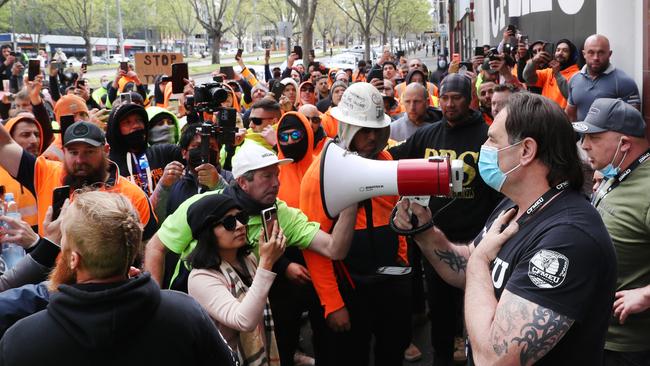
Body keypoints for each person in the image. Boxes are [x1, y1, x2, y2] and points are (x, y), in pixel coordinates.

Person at [394, 92, 617, 365]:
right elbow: (470, 270)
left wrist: (477, 260)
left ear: (526, 151)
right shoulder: (512, 205)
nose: (482, 148)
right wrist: (424, 232)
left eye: (492, 139)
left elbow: (493, 358)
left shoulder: (568, 239)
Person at [0, 190, 238, 365]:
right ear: (132, 251)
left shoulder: (22, 341)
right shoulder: (184, 314)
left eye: (63, 239)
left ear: (74, 259)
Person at [389, 73, 502, 366]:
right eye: (446, 98)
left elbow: (500, 191)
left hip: (478, 242)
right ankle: (441, 357)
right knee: (439, 309)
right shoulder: (428, 134)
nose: (450, 104)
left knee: (478, 310)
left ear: (470, 100)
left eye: (457, 98)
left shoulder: (486, 137)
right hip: (434, 241)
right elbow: (393, 158)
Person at [143, 141, 358, 292]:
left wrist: (351, 198)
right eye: (266, 176)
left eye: (277, 175)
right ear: (243, 182)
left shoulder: (282, 214)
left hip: (246, 315)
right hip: (192, 305)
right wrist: (154, 301)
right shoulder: (201, 206)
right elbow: (156, 247)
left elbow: (334, 249)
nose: (276, 183)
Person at [300, 82, 411, 366]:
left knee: (392, 351)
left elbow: (397, 216)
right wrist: (332, 303)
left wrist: (402, 261)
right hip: (348, 286)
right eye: (363, 129)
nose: (371, 137)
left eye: (376, 129)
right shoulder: (319, 174)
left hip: (389, 283)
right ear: (346, 127)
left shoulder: (384, 160)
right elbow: (315, 245)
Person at [572, 98, 650, 365]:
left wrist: (647, 294)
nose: (584, 145)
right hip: (597, 331)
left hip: (627, 346)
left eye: (593, 137)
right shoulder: (617, 171)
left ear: (624, 144)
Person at [0, 120, 157, 239]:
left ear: (106, 150)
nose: (80, 160)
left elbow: (148, 248)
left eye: (89, 152)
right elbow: (3, 144)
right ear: (64, 151)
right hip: (50, 279)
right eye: (73, 152)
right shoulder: (45, 173)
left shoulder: (132, 195)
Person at [187, 194, 284, 365]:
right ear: (207, 232)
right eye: (229, 222)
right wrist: (267, 263)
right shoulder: (201, 277)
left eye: (241, 217)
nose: (240, 226)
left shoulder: (248, 260)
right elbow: (243, 320)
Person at [105, 102, 184, 196]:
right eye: (127, 122)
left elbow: (190, 152)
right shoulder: (108, 165)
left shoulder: (162, 153)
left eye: (139, 120)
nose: (136, 126)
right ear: (115, 130)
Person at [566, 34, 640, 121]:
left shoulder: (624, 82)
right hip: (580, 134)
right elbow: (570, 115)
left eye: (601, 52)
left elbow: (633, 121)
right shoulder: (574, 79)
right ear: (584, 54)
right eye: (591, 52)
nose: (596, 58)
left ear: (609, 54)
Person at [523, 39, 580, 108]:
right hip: (546, 115)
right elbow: (527, 77)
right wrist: (534, 61)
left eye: (565, 50)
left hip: (562, 117)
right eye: (558, 50)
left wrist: (557, 74)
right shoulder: (548, 71)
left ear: (571, 55)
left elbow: (572, 97)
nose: (560, 53)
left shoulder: (577, 74)